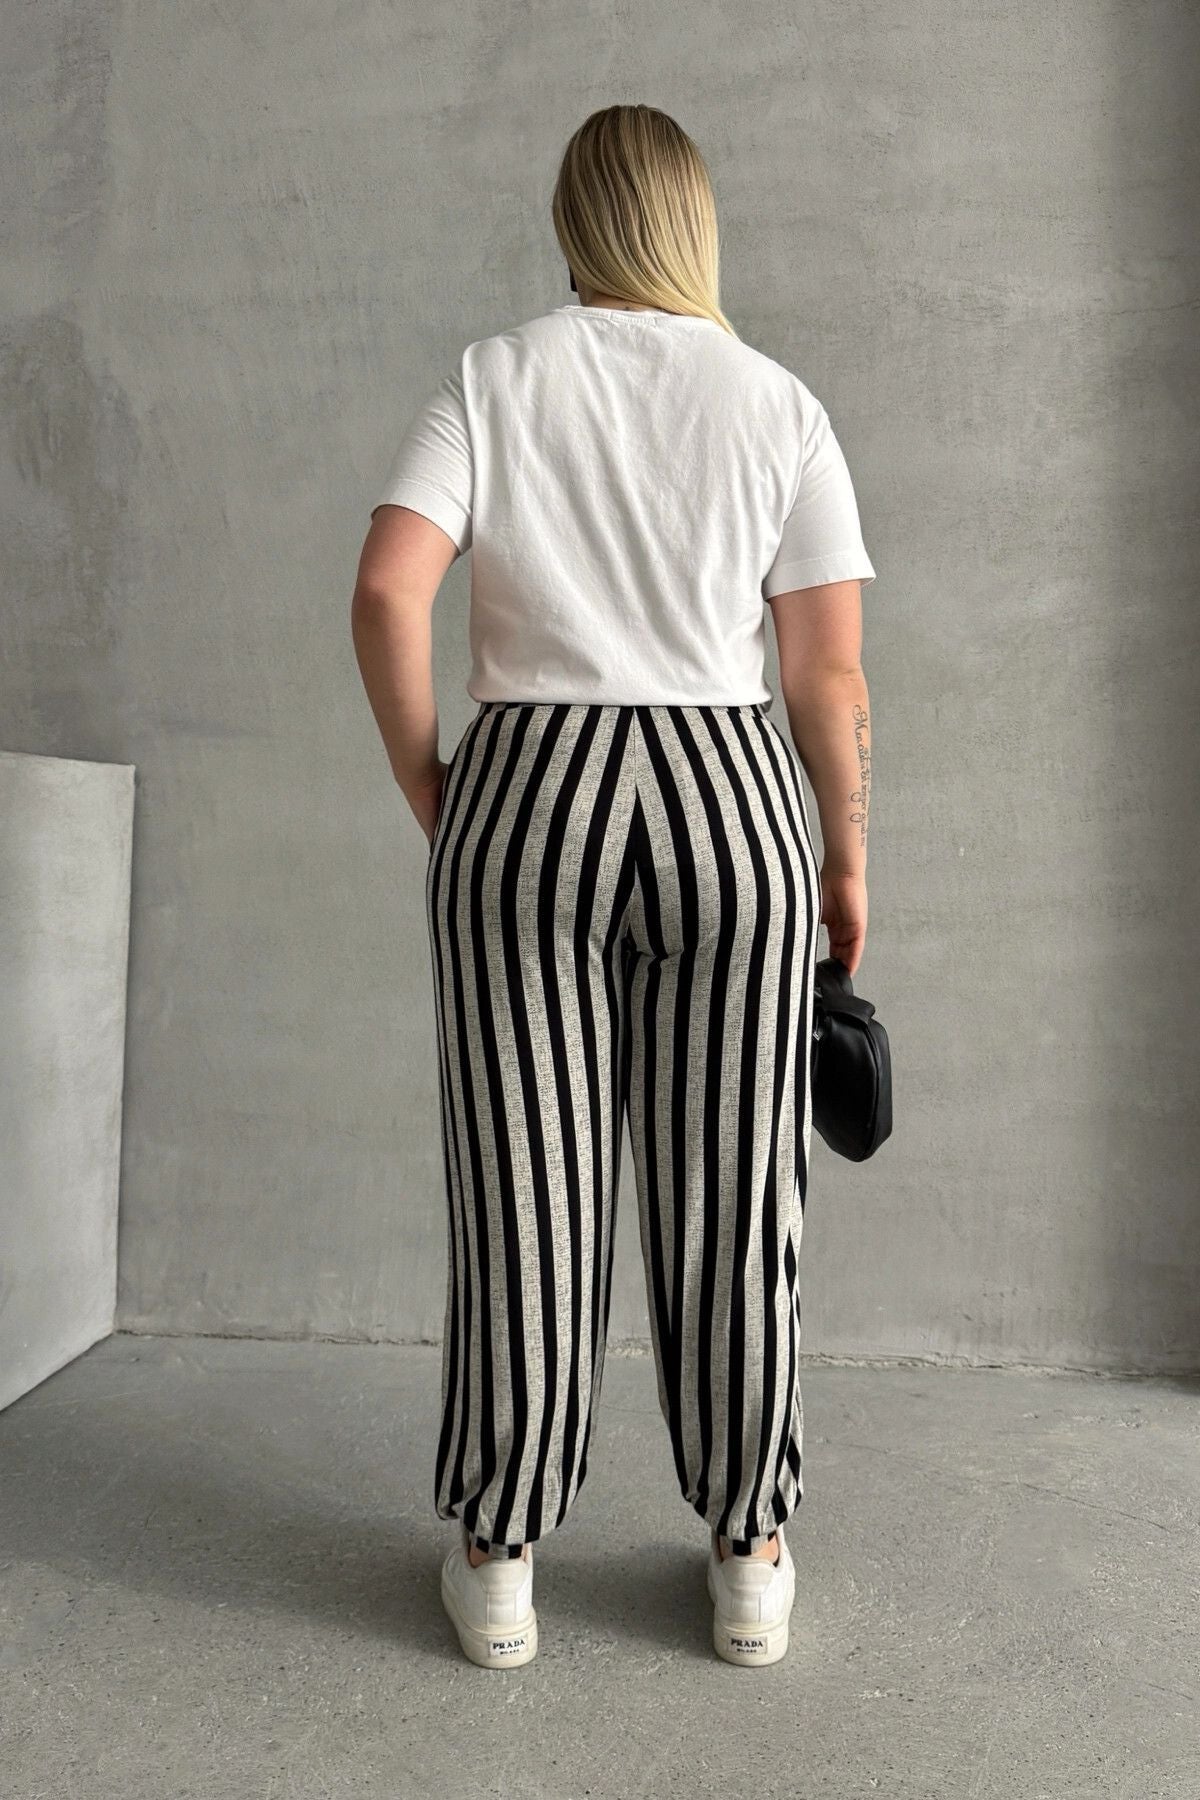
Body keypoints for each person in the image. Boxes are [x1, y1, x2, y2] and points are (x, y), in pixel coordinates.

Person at [351, 103, 876, 1670]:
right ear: (695, 220)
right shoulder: (778, 403)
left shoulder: (492, 378)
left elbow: (386, 588)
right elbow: (828, 671)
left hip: (526, 798)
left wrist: (431, 782)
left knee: (526, 1185)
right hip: (731, 806)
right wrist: (845, 854)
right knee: (738, 1195)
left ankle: (502, 1555)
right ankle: (750, 1553)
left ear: (573, 223)